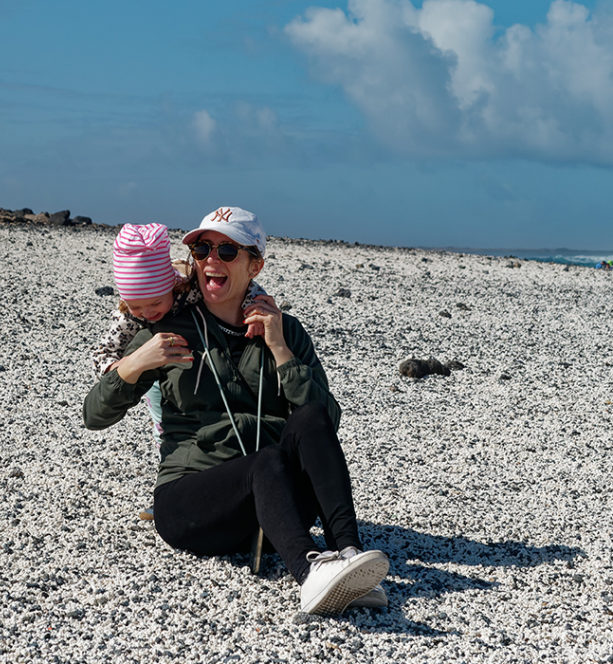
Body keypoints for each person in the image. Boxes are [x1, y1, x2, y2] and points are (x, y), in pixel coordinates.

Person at [84, 207, 389, 614]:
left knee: (310, 417)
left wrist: (279, 349)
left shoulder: (287, 330)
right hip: (193, 502)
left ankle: (349, 557)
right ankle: (311, 573)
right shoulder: (165, 330)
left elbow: (326, 425)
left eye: (227, 250)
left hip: (276, 503)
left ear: (255, 265)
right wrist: (134, 363)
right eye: (201, 249)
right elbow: (94, 416)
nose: (212, 258)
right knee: (265, 462)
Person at [89, 222, 265, 449]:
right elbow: (102, 354)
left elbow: (246, 287)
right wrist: (128, 366)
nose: (148, 313)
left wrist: (253, 307)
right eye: (137, 307)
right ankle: (163, 441)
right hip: (148, 359)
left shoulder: (188, 287)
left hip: (185, 353)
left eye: (156, 303)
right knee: (160, 415)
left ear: (171, 286)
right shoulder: (126, 315)